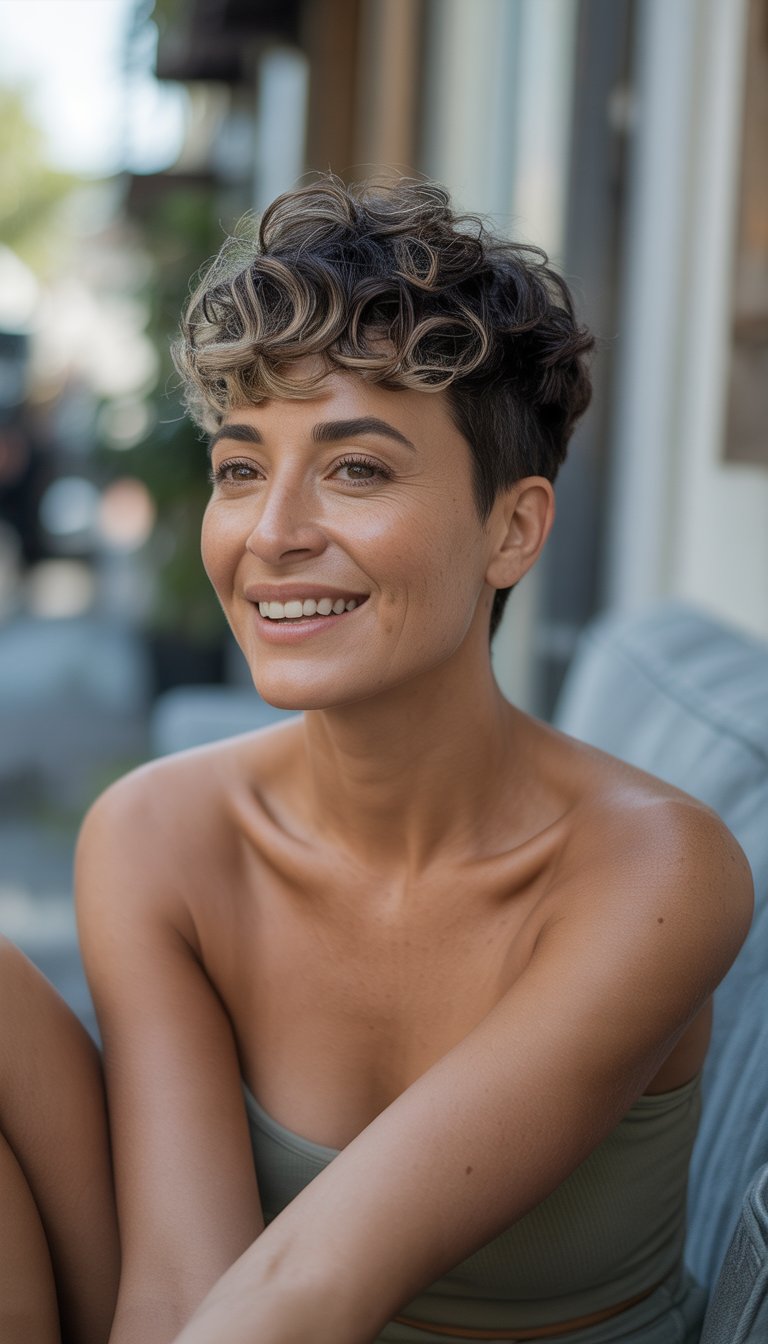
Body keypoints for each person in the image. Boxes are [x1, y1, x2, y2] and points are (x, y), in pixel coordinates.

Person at [0, 175, 754, 1344]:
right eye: (242, 468)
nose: (274, 533)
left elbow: (316, 1285)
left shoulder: (653, 871)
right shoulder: (162, 833)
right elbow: (181, 1286)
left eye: (356, 469)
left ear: (514, 528)